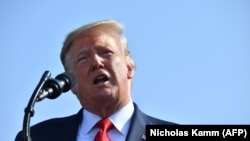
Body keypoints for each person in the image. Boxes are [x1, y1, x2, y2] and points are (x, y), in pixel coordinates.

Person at [15, 20, 177, 141]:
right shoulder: (36, 136)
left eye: (105, 52)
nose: (96, 62)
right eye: (83, 58)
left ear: (129, 68)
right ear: (72, 84)